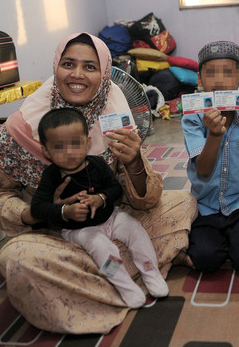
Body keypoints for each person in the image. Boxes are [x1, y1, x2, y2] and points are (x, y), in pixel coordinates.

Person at [0, 32, 197, 334]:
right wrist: (35, 213)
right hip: (56, 238)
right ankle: (134, 270)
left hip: (111, 221)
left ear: (105, 73)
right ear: (56, 66)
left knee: (182, 201)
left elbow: (144, 201)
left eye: (90, 67)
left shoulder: (116, 117)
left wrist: (133, 163)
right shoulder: (23, 125)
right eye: (69, 64)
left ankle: (98, 277)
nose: (78, 75)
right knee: (17, 259)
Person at [31, 108, 168, 308]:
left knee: (136, 230)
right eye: (59, 147)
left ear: (87, 142)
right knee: (104, 249)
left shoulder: (97, 163)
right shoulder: (51, 175)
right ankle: (125, 286)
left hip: (111, 216)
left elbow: (115, 189)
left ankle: (150, 271)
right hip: (80, 230)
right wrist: (65, 211)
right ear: (46, 150)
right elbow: (37, 208)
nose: (69, 152)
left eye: (75, 144)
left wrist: (100, 198)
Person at [178, 41, 239, 273]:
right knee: (205, 259)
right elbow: (203, 170)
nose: (219, 81)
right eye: (210, 73)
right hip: (207, 204)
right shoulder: (191, 119)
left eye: (228, 73)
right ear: (199, 80)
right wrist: (214, 134)